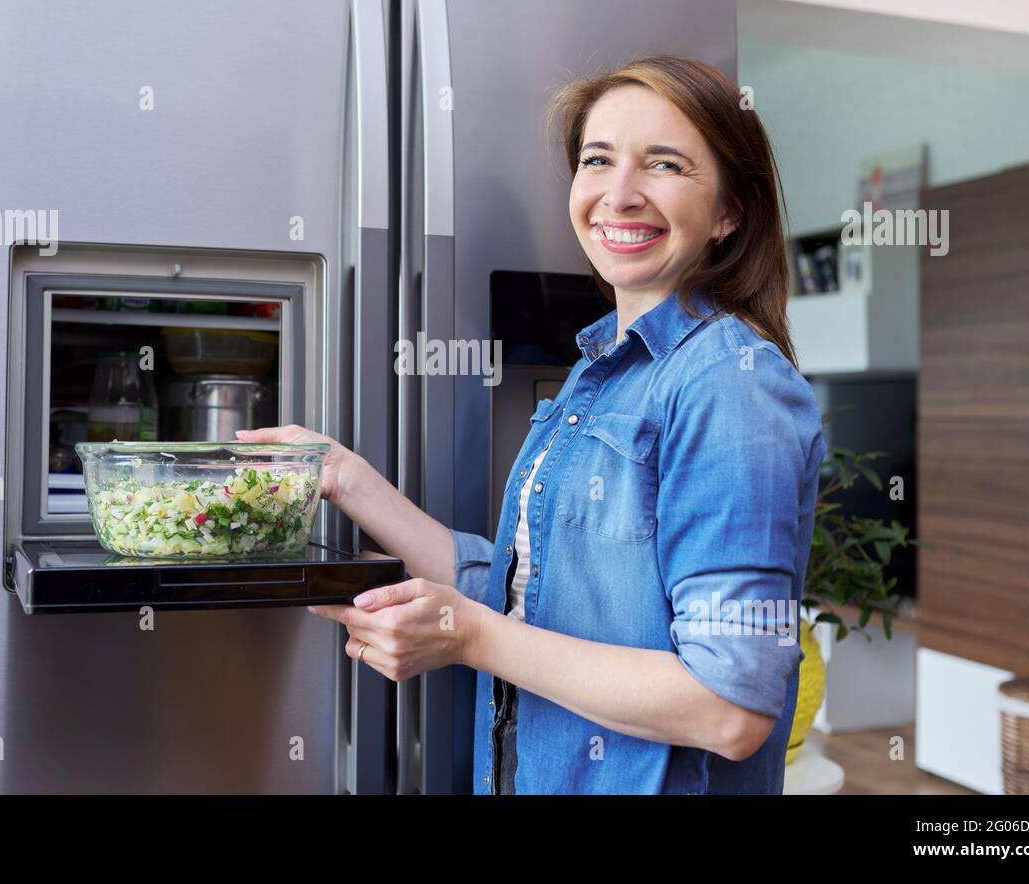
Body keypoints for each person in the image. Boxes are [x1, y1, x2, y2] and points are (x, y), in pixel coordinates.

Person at [236, 55, 824, 794]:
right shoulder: (600, 367)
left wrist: (468, 636)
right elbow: (522, 590)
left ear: (731, 211)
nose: (620, 193)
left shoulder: (731, 386)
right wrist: (347, 478)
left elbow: (729, 706)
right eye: (598, 159)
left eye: (664, 165)